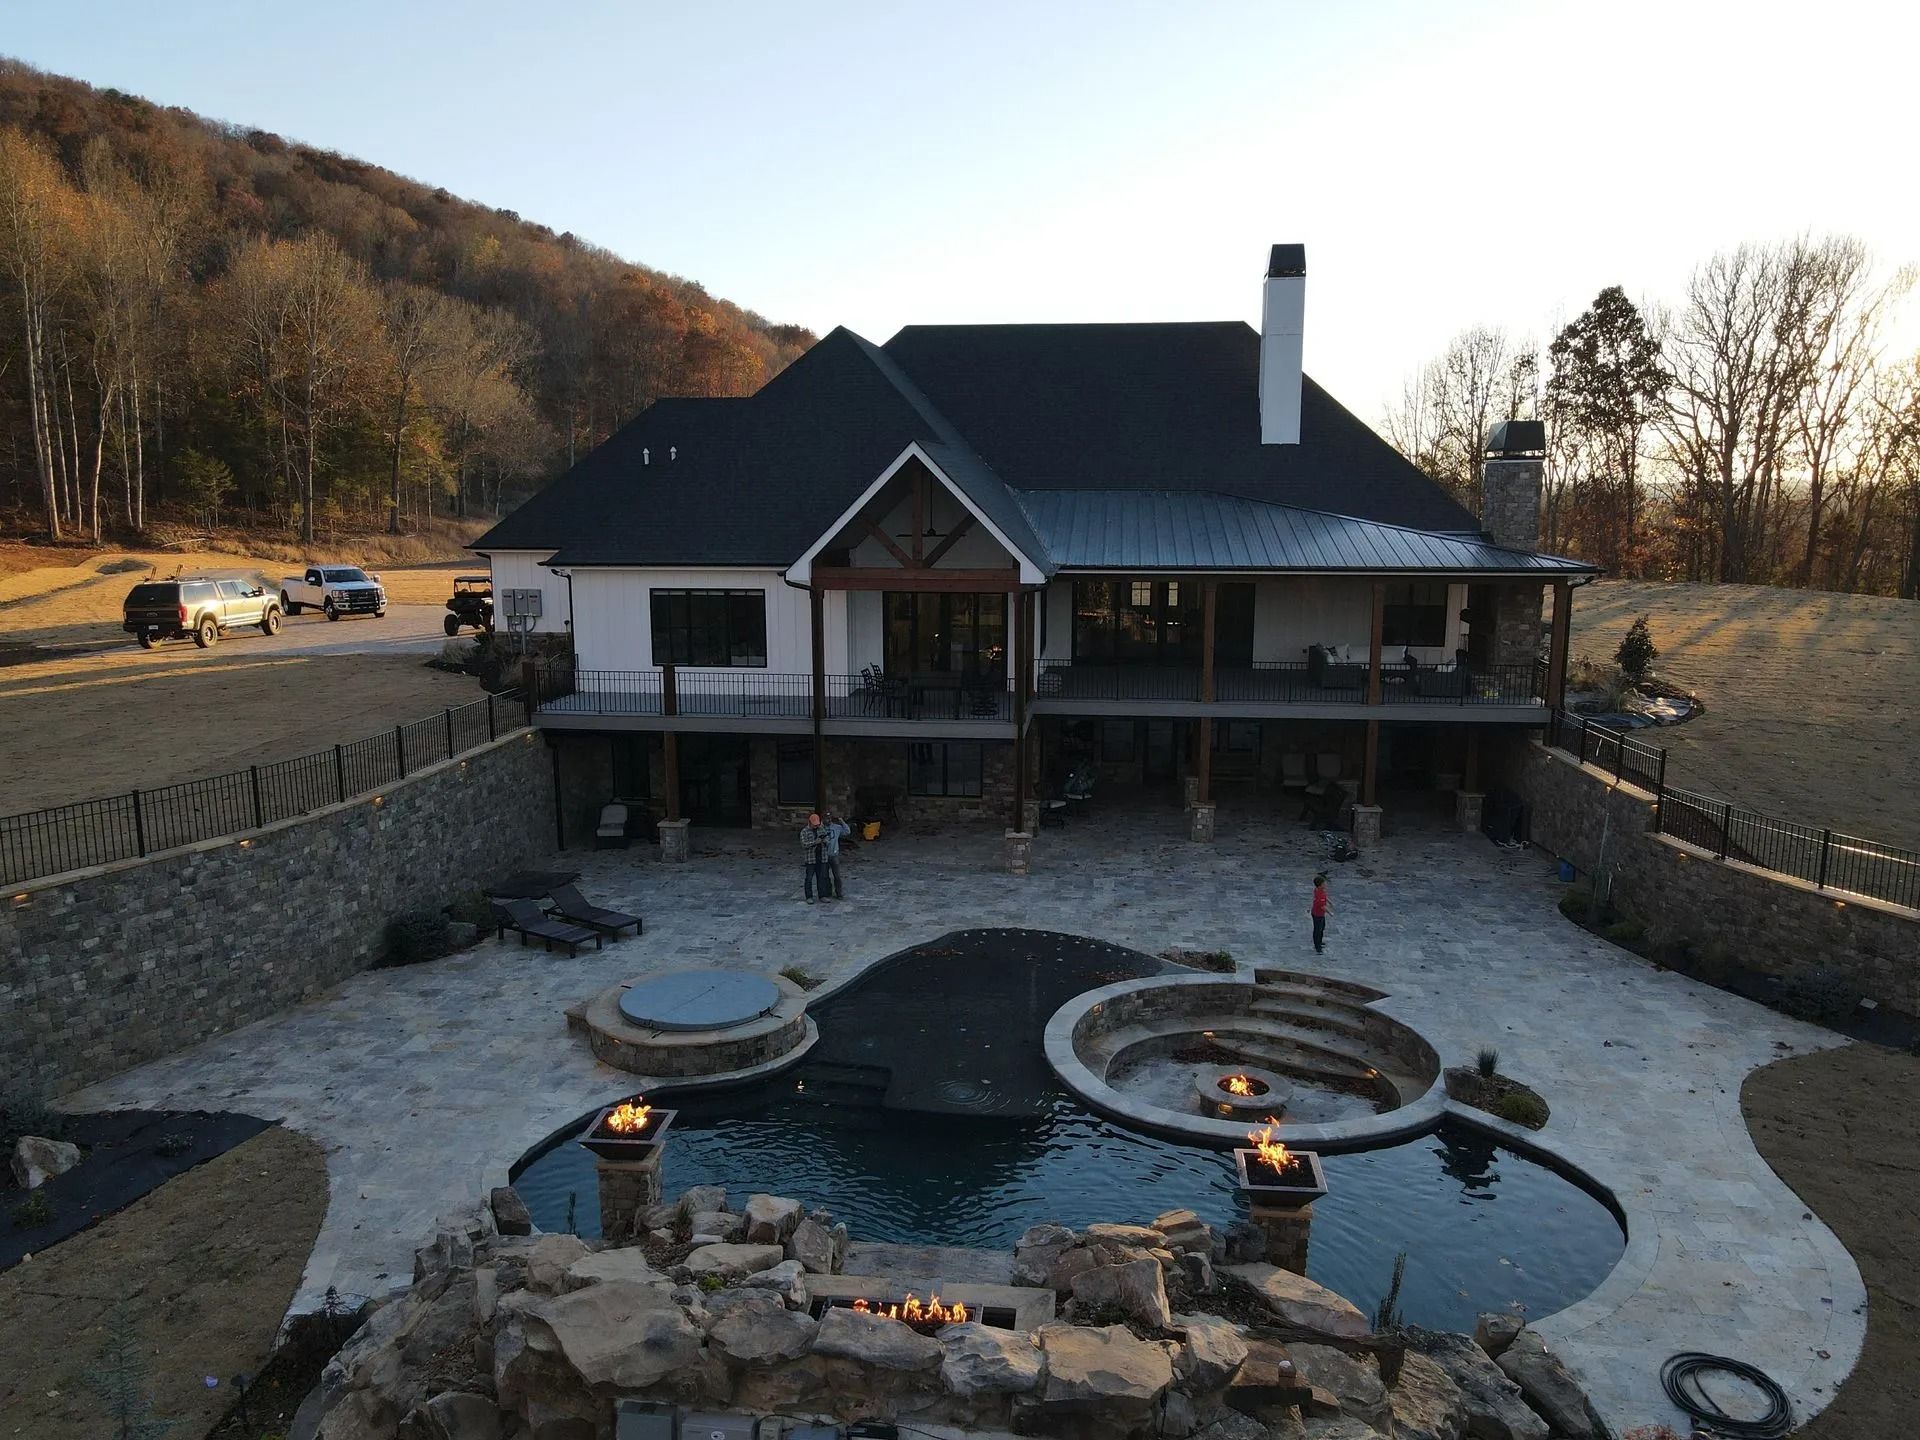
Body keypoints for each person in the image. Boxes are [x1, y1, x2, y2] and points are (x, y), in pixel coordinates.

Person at [820, 812, 852, 899]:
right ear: (823, 819)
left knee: (837, 876)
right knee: (825, 876)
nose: (829, 820)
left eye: (830, 818)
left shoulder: (836, 828)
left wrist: (842, 821)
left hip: (834, 855)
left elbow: (847, 831)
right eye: (827, 818)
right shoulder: (820, 828)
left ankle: (839, 893)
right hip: (824, 855)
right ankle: (828, 892)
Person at [799, 813, 828, 903]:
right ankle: (809, 897)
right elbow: (804, 844)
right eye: (814, 824)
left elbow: (828, 840)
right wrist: (815, 842)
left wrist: (825, 840)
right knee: (809, 878)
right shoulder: (804, 831)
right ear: (810, 822)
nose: (816, 826)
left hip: (821, 857)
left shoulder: (821, 829)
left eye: (817, 824)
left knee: (821, 878)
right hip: (811, 859)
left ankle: (822, 895)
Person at [1310, 872, 1331, 953]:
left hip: (1319, 914)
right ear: (1320, 885)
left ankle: (1320, 941)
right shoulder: (1320, 895)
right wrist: (1330, 913)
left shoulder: (1319, 890)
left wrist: (1329, 901)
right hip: (1317, 915)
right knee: (1317, 930)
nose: (1325, 884)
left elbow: (1325, 897)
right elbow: (1322, 907)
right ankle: (1317, 946)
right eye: (1324, 883)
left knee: (1322, 928)